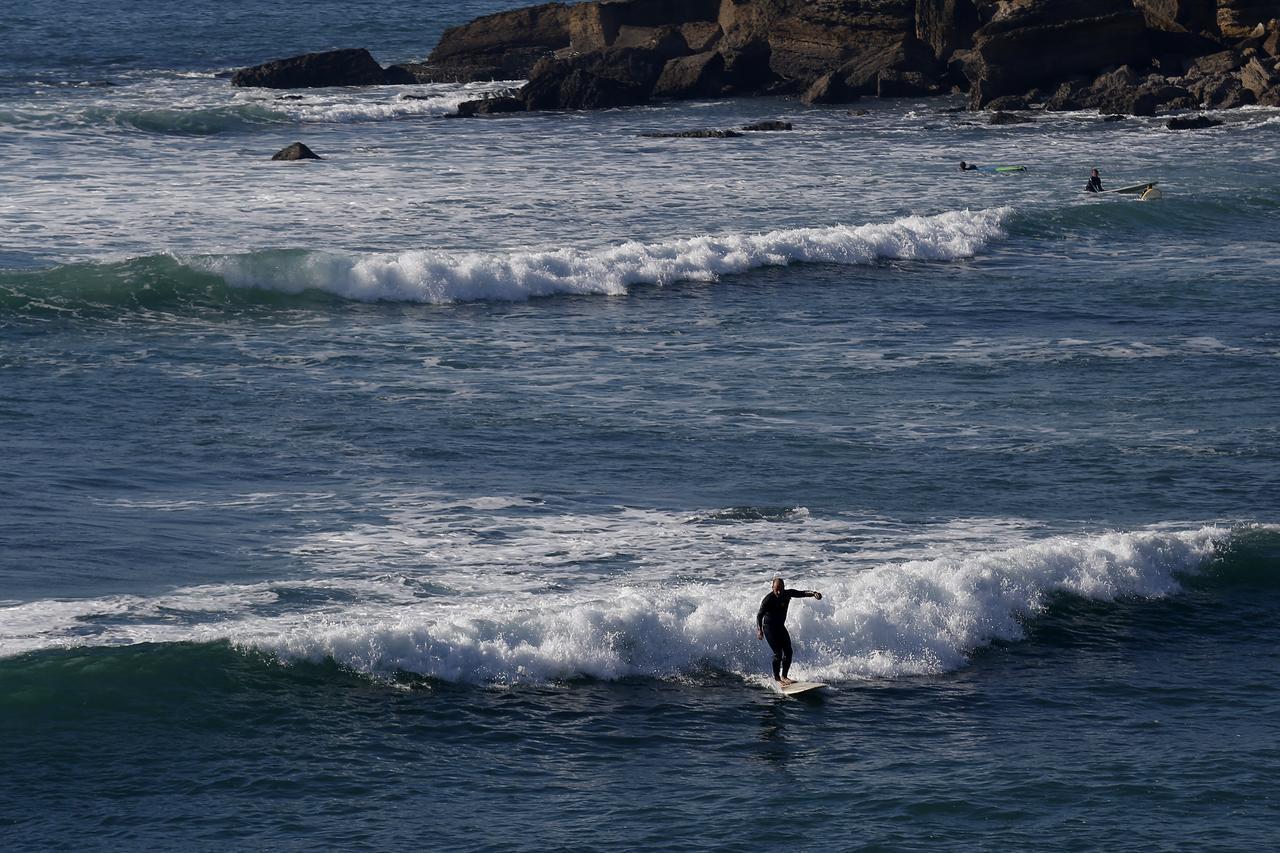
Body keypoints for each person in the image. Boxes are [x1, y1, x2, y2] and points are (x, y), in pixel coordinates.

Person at [755, 577, 823, 685]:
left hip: (780, 627)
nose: (778, 591)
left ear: (784, 588)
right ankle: (777, 679)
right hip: (769, 628)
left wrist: (814, 593)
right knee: (778, 653)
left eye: (781, 589)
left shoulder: (787, 594)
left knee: (788, 652)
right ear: (772, 587)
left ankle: (784, 676)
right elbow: (759, 615)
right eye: (776, 589)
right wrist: (759, 630)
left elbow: (802, 593)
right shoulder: (768, 599)